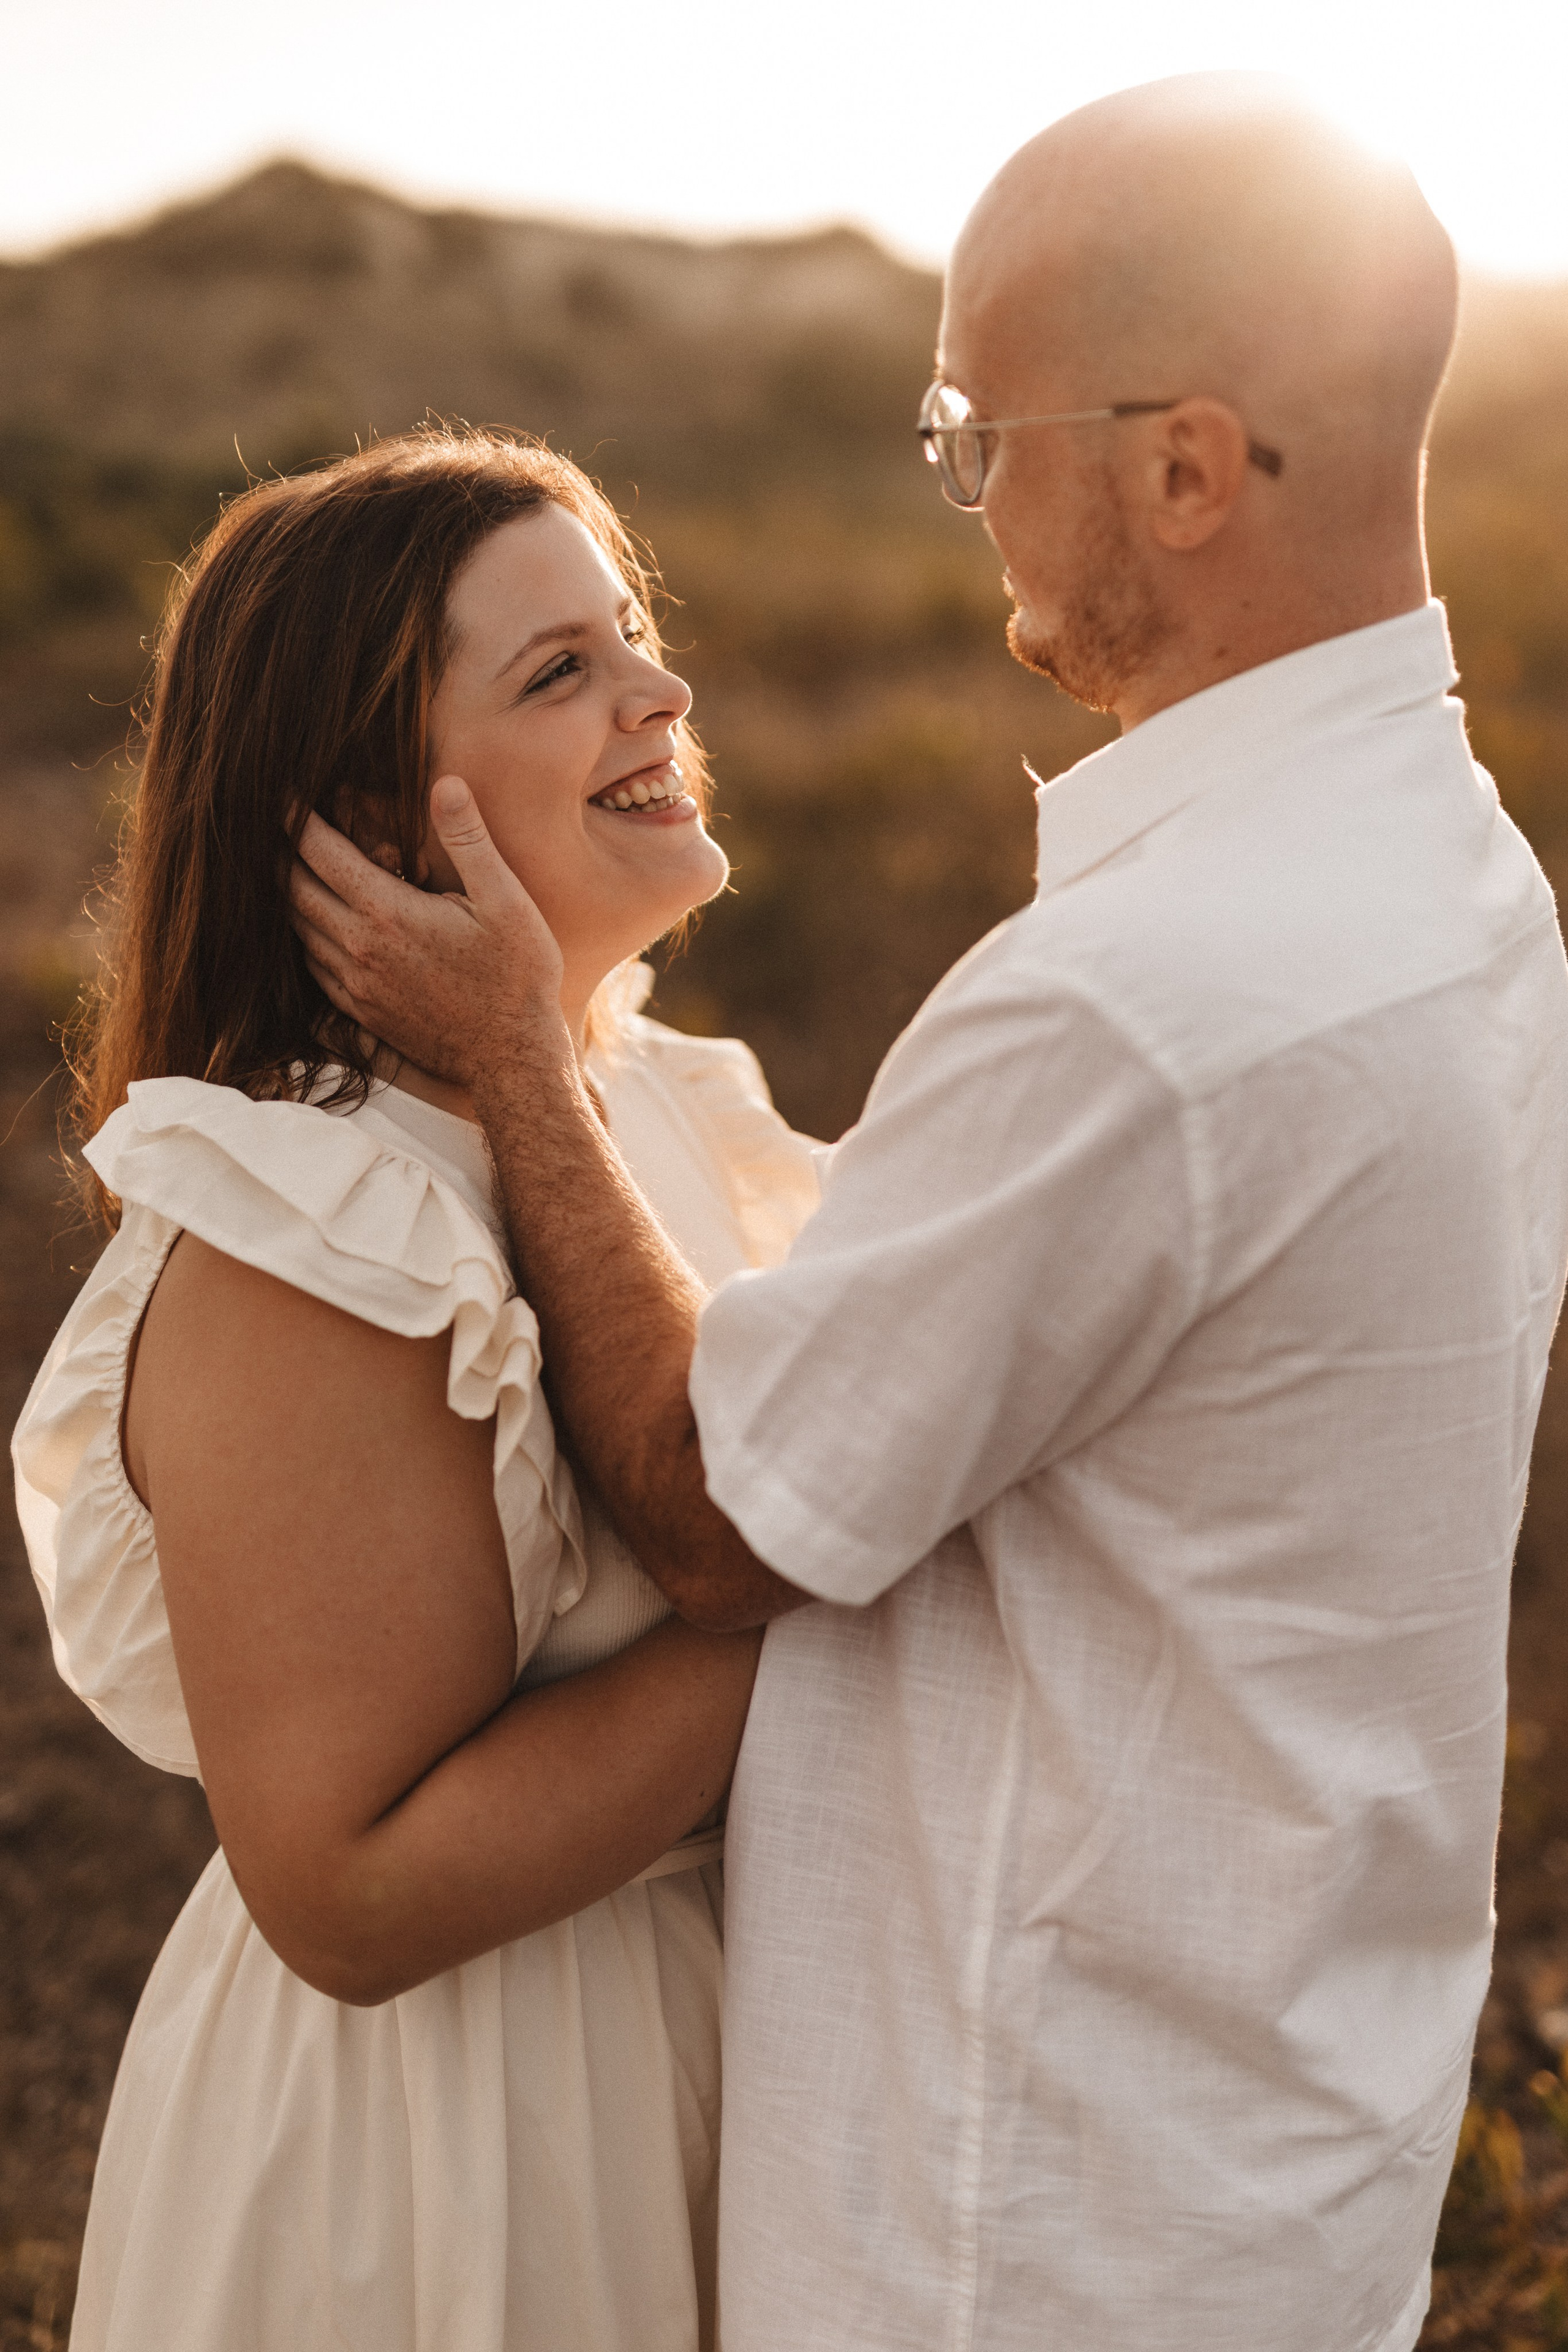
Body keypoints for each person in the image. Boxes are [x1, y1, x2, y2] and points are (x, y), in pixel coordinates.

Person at [291, 75, 1568, 2352]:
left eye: (983, 424)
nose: (965, 484)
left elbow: (718, 1505)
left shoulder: (1140, 1008)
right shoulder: (1463, 880)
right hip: (1275, 2151)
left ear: (1180, 468)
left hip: (1027, 2222)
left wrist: (509, 1060)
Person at [12, 426, 818, 2352]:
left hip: (714, 2064)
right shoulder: (328, 1225)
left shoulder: (647, 1107)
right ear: (382, 815)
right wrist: (837, 1589)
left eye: (629, 628)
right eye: (562, 671)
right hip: (467, 2162)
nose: (661, 687)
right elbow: (349, 1888)